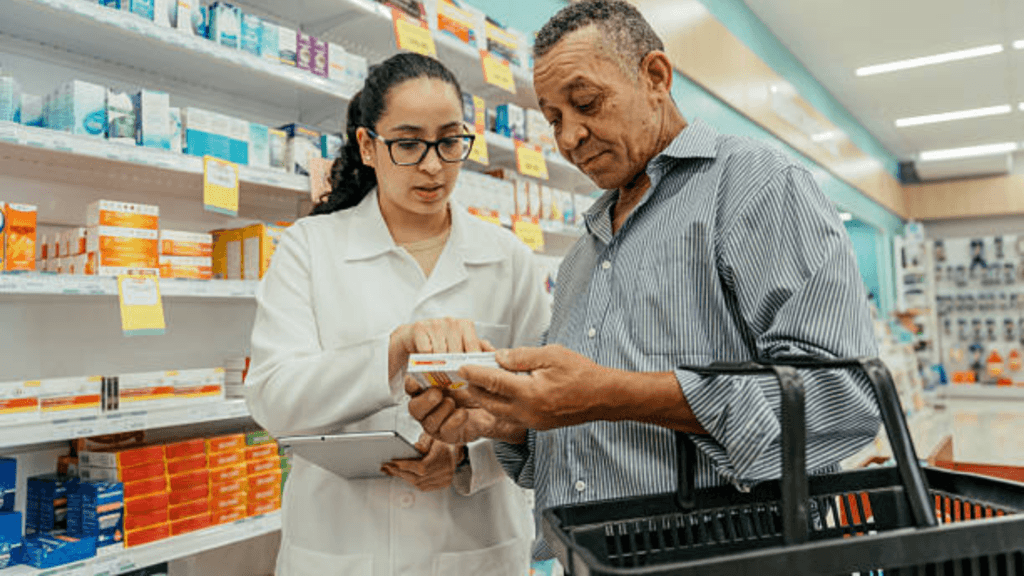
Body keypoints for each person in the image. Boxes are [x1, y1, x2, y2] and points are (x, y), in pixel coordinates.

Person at [406, 0, 883, 559]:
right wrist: (505, 421)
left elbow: (841, 397)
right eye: (554, 118)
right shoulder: (585, 252)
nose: (569, 137)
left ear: (656, 77)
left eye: (586, 103)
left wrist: (608, 395)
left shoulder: (756, 187)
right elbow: (581, 442)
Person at [245, 52, 550, 576]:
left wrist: (464, 458)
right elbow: (273, 399)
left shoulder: (508, 259)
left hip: (475, 549)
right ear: (368, 146)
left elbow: (545, 414)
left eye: (450, 141)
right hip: (340, 547)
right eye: (408, 143)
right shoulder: (308, 249)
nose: (433, 165)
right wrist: (392, 351)